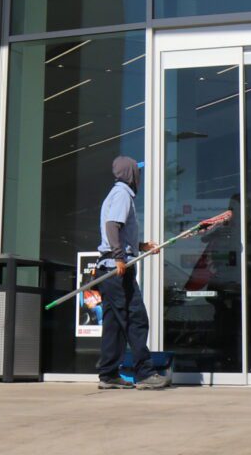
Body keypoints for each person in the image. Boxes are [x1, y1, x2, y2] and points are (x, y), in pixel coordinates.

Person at [97, 155, 168, 390]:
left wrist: (141, 246)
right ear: (130, 174)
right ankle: (145, 373)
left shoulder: (117, 194)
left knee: (114, 325)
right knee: (136, 318)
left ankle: (108, 374)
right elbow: (112, 226)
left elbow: (119, 230)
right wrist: (119, 257)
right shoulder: (122, 194)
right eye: (137, 171)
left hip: (109, 269)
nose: (139, 175)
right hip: (116, 271)